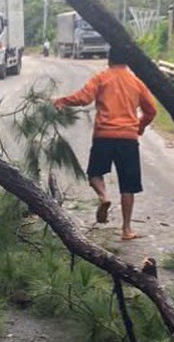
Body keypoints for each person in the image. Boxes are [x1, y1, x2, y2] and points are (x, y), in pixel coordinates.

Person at [53, 45, 156, 240]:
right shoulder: (135, 82)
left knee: (94, 174)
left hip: (104, 135)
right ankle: (126, 229)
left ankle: (103, 196)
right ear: (127, 62)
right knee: (128, 186)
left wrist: (63, 100)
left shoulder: (101, 78)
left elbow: (83, 98)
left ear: (109, 60)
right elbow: (151, 110)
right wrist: (139, 127)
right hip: (128, 139)